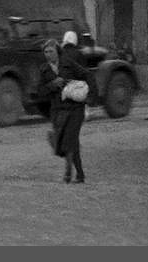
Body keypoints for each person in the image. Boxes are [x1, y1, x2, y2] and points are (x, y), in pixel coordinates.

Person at [39, 33, 90, 184]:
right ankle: (79, 174)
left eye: (51, 51)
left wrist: (85, 92)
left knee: (70, 140)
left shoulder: (68, 63)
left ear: (58, 51)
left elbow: (86, 75)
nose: (48, 55)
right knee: (63, 141)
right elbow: (40, 92)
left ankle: (70, 173)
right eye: (46, 52)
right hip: (57, 110)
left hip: (75, 108)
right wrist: (52, 85)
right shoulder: (43, 69)